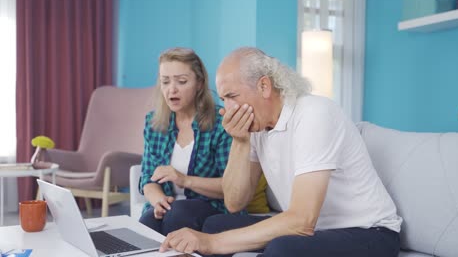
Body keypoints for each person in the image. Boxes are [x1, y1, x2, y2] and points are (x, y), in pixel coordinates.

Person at [159, 47, 403, 257]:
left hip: (371, 232)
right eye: (224, 99)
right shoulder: (258, 127)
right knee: (215, 225)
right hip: (321, 229)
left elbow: (302, 221)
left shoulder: (313, 114)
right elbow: (235, 203)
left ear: (264, 86)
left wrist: (211, 244)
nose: (228, 109)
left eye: (232, 96)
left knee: (282, 250)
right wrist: (240, 142)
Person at [138, 47, 232, 236]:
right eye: (165, 82)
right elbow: (148, 178)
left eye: (181, 81)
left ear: (199, 83)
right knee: (148, 220)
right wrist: (159, 201)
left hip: (212, 207)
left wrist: (184, 180)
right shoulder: (153, 123)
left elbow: (231, 188)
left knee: (178, 215)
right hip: (172, 208)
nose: (171, 89)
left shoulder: (221, 123)